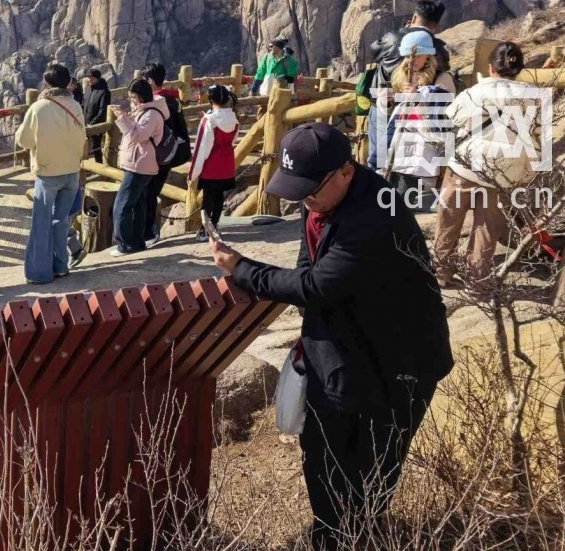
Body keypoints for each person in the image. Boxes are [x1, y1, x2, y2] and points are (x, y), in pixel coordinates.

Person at [209, 122, 453, 548]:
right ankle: (328, 534)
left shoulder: (374, 215)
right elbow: (308, 261)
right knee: (321, 452)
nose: (304, 200)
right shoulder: (321, 196)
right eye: (297, 190)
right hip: (345, 347)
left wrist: (242, 269)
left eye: (310, 190)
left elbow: (316, 286)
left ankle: (354, 537)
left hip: (398, 362)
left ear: (345, 171)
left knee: (368, 469)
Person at [434, 42, 540, 287]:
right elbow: (538, 137)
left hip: (466, 167)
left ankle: (441, 272)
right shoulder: (534, 96)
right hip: (503, 173)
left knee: (449, 219)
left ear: (491, 67)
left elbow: (453, 116)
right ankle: (478, 280)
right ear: (519, 69)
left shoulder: (476, 92)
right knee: (487, 228)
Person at [15, 63, 87, 284]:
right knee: (60, 221)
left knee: (41, 223)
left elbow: (24, 140)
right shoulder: (75, 105)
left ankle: (39, 273)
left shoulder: (39, 108)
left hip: (48, 174)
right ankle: (60, 266)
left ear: (46, 83)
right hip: (72, 172)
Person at [367, 0, 450, 168]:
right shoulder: (439, 49)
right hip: (417, 114)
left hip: (385, 104)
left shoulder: (391, 37)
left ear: (413, 18)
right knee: (406, 162)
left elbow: (373, 50)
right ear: (436, 25)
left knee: (379, 159)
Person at [385, 31, 456, 210]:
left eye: (416, 56)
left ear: (428, 56)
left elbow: (442, 114)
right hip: (402, 148)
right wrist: (390, 102)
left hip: (426, 150)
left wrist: (418, 97)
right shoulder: (403, 77)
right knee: (398, 200)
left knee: (418, 202)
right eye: (407, 56)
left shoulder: (442, 79)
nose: (411, 60)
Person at [110, 78, 167, 257]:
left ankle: (125, 244)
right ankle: (136, 242)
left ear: (141, 96)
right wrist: (128, 117)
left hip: (140, 165)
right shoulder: (146, 111)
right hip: (140, 163)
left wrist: (122, 118)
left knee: (122, 205)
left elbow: (137, 136)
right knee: (138, 204)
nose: (131, 101)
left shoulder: (152, 114)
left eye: (133, 97)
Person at [141, 62, 192, 246]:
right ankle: (149, 230)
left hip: (158, 155)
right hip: (170, 153)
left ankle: (148, 232)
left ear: (150, 81)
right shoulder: (173, 99)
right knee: (152, 191)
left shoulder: (157, 103)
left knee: (147, 192)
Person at [189, 83, 240, 241]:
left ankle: (204, 230)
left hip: (211, 165)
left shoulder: (209, 121)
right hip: (226, 164)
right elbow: (233, 140)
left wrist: (193, 172)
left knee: (207, 199)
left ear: (211, 100)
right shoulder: (234, 119)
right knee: (219, 197)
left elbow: (202, 148)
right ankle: (215, 225)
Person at [83, 68, 111, 163]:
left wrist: (92, 123)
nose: (90, 79)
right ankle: (85, 168)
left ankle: (100, 166)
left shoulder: (104, 92)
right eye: (89, 77)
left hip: (96, 125)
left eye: (92, 78)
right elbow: (84, 106)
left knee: (96, 147)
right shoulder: (88, 90)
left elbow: (103, 110)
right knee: (83, 146)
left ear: (97, 78)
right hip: (85, 123)